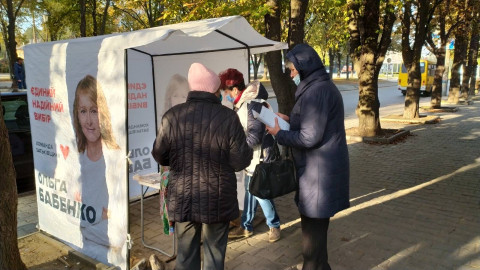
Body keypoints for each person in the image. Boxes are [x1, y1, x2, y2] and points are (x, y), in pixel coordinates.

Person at [151, 63, 253, 270]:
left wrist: (179, 159)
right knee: (214, 257)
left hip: (184, 198)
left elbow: (160, 155)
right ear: (214, 90)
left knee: (186, 256)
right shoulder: (228, 117)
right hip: (217, 197)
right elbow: (240, 161)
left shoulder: (172, 117)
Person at [266, 44, 350, 270]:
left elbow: (309, 137)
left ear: (304, 67)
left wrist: (279, 134)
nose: (291, 75)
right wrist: (288, 120)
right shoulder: (318, 87)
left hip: (318, 176)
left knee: (311, 245)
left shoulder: (316, 92)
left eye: (293, 70)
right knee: (317, 239)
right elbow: (311, 126)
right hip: (320, 173)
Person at [219, 68, 281, 243]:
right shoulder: (243, 104)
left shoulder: (251, 105)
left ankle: (274, 225)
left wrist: (236, 150)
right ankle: (246, 227)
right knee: (250, 192)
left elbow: (254, 136)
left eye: (226, 91)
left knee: (260, 193)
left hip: (259, 158)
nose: (225, 95)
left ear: (236, 90)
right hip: (251, 159)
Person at [72, 75, 126, 265]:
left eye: (94, 111)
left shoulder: (115, 155)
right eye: (83, 111)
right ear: (76, 115)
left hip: (109, 241)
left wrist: (90, 219)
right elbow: (74, 211)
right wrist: (98, 214)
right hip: (85, 237)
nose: (88, 120)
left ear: (103, 113)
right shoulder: (76, 158)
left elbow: (118, 222)